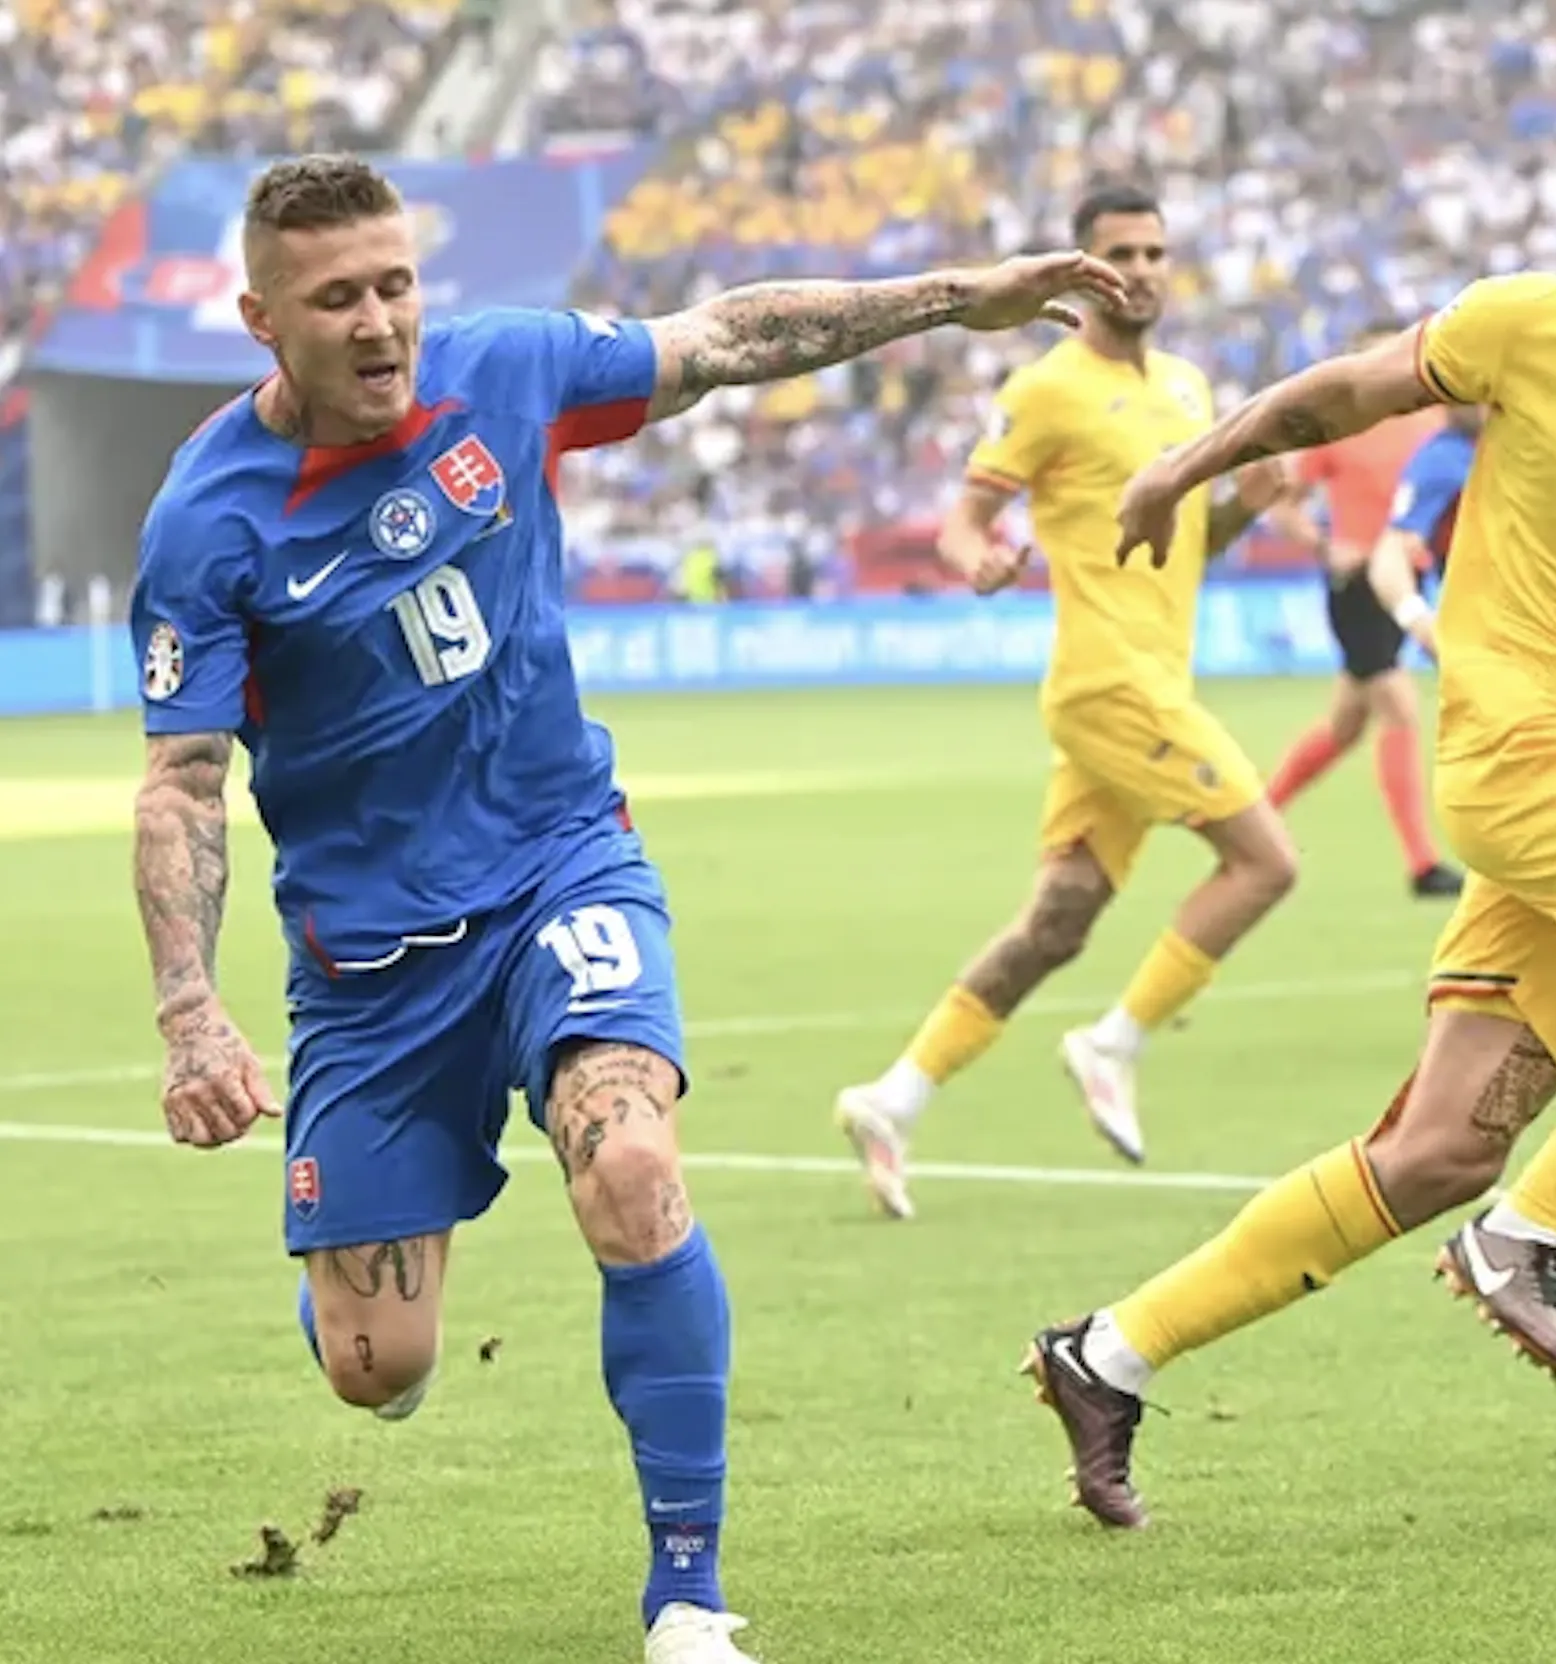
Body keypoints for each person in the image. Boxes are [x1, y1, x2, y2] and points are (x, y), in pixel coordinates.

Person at [126, 152, 1126, 1660]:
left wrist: (955, 298)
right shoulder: (209, 521)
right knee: (374, 1365)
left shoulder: (505, 371)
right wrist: (190, 1010)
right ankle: (361, 1262)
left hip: (559, 867)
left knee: (632, 1161)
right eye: (337, 299)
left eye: (396, 284)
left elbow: (724, 338)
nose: (381, 322)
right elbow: (184, 784)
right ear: (262, 318)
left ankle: (687, 1595)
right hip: (372, 964)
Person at [1016, 105, 1556, 1529]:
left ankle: (1106, 1354)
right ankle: (1526, 1233)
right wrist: (1179, 466)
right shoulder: (1527, 325)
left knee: (1437, 1151)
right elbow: (1336, 397)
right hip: (1516, 755)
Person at [830, 184, 1298, 1222]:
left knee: (1057, 921)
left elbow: (1185, 547)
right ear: (1084, 271)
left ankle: (892, 1099)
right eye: (1120, 253)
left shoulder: (1188, 389)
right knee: (1266, 862)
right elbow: (965, 517)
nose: (1142, 270)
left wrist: (1241, 509)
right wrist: (976, 558)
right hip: (1107, 682)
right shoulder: (1046, 390)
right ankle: (1113, 1041)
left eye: (1156, 252)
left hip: (1153, 681)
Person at [1369, 409, 1556, 1041]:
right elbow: (1389, 551)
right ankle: (1555, 990)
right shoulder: (1442, 459)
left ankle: (1498, 987)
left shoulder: (1540, 432)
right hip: (1499, 666)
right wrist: (1417, 620)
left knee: (1530, 832)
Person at [1263, 327, 1462, 898]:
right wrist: (1325, 546)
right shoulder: (1339, 426)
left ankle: (1255, 815)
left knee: (1345, 725)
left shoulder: (1432, 422)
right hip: (1356, 585)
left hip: (1407, 579)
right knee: (1398, 707)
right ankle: (1422, 865)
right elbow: (1282, 506)